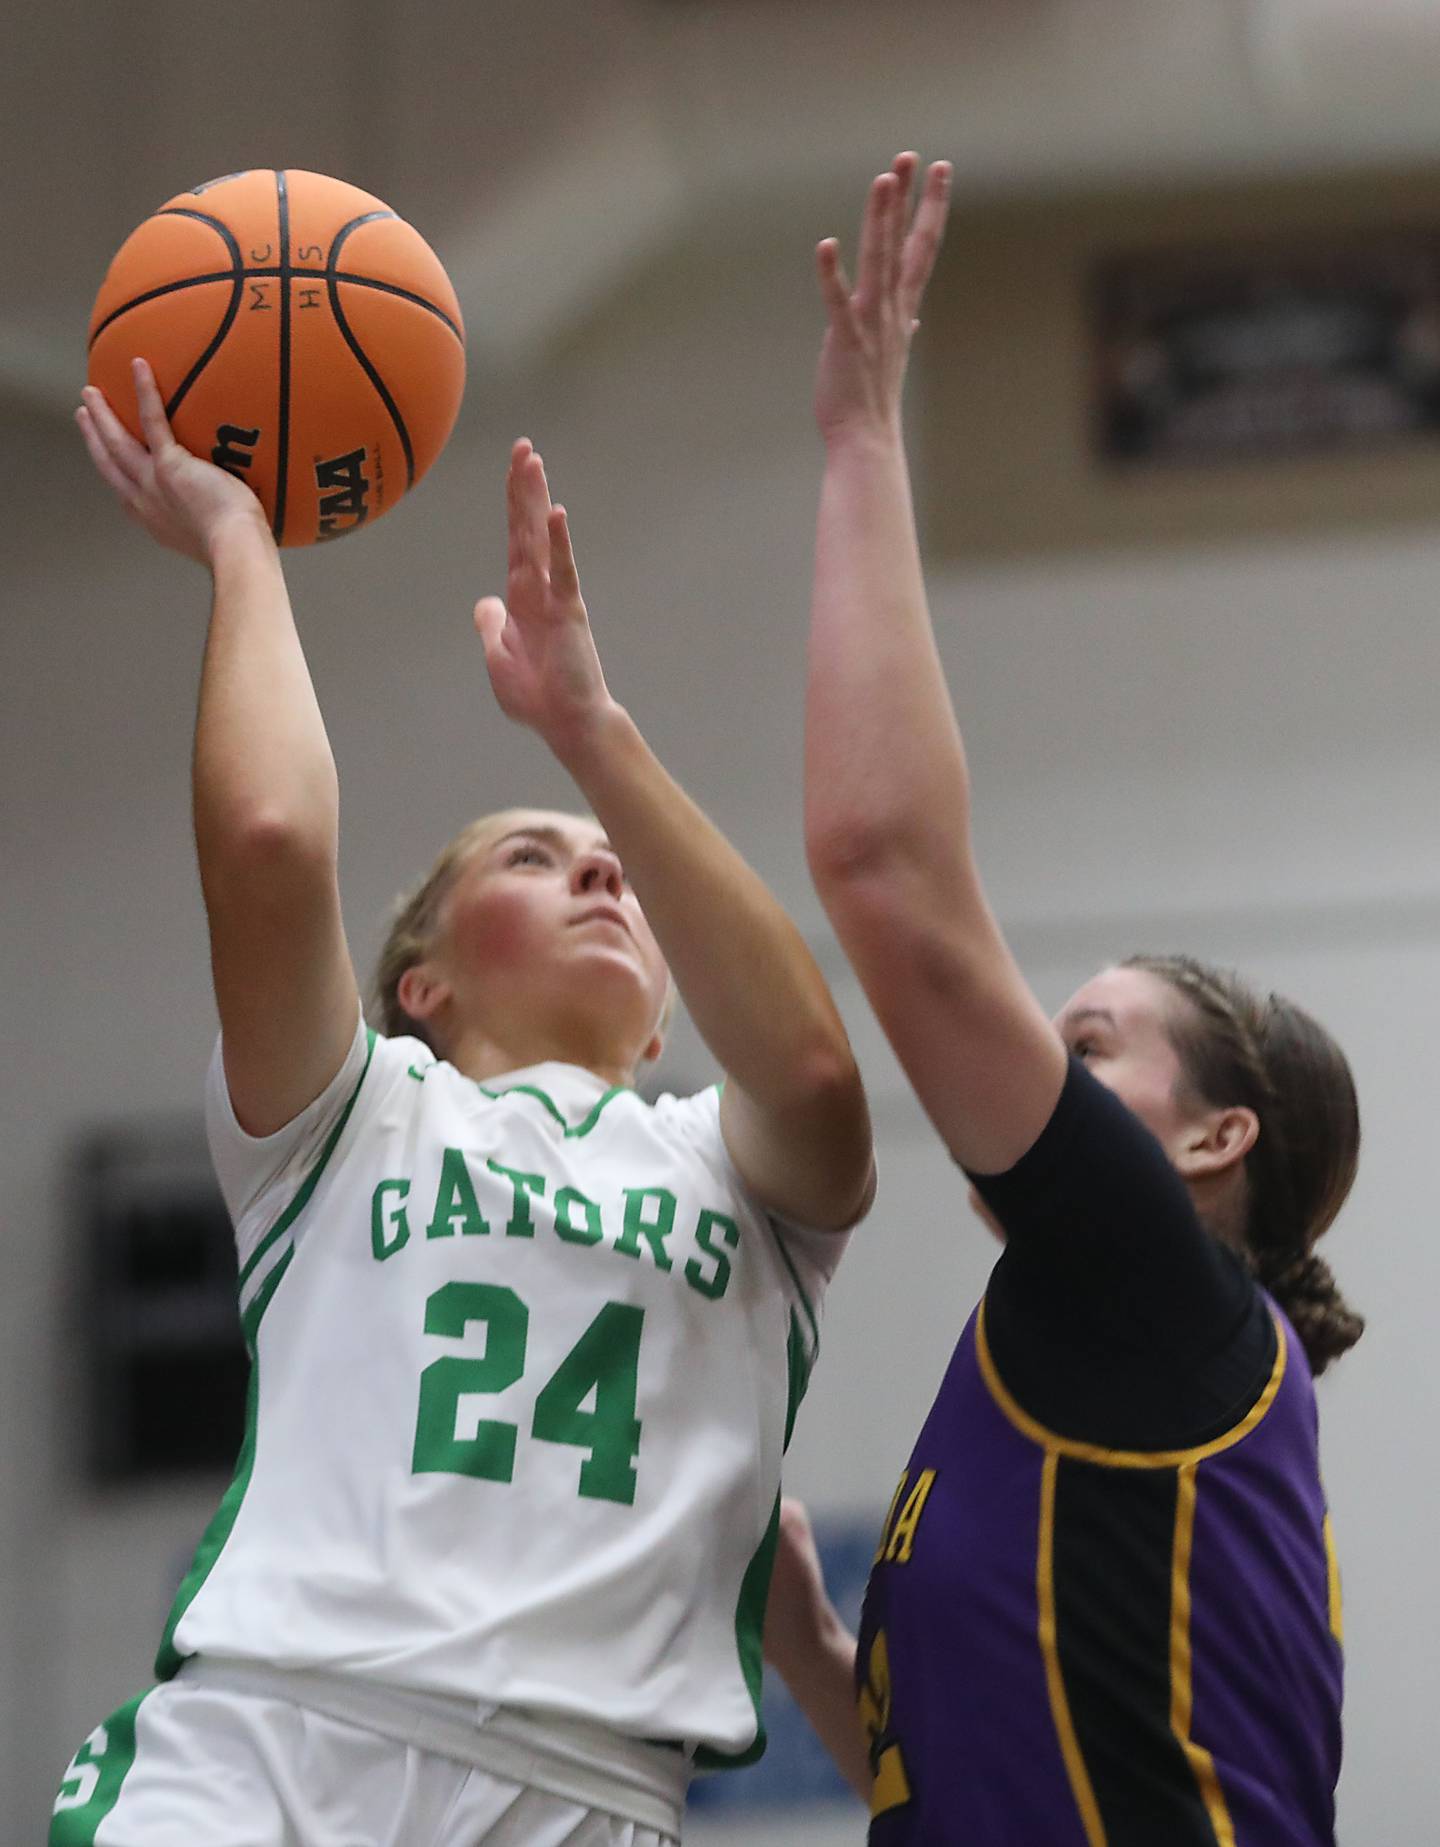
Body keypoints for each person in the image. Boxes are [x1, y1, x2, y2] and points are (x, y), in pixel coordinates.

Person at [55, 361, 874, 1847]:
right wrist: (242, 543)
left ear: (668, 1019)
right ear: (419, 982)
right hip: (279, 1744)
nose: (603, 869)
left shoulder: (730, 1167)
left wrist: (592, 736)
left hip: (591, 1791)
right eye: (531, 858)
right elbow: (264, 838)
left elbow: (817, 1074)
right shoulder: (350, 1117)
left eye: (607, 858)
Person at [768, 154, 1364, 1844]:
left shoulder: (1151, 1296)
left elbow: (886, 866)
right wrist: (825, 1664)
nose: (1031, 1052)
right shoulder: (1102, 1366)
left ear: (1210, 1139)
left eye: (1088, 1045)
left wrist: (867, 438)